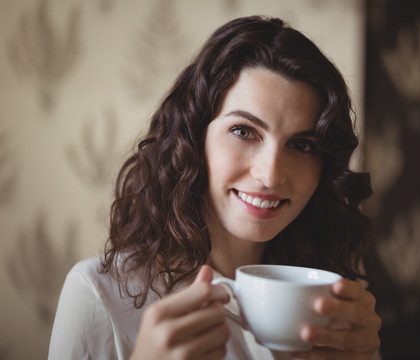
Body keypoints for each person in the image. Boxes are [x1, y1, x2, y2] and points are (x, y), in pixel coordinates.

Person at [48, 15, 381, 360]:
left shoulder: (333, 301)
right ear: (194, 137)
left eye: (302, 145)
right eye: (243, 131)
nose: (270, 175)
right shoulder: (98, 293)